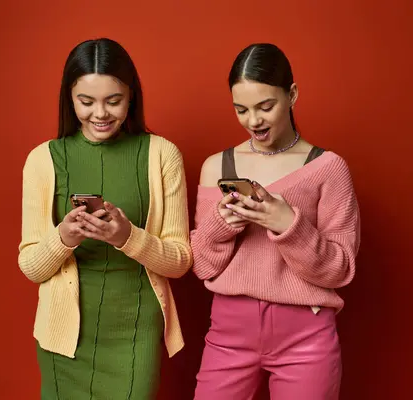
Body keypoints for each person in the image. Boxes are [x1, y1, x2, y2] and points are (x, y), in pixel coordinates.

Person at [18, 38, 192, 399]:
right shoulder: (42, 159)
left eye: (114, 101)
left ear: (132, 96)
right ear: (70, 98)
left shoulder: (162, 155)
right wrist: (63, 237)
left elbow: (180, 262)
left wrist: (127, 236)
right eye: (87, 101)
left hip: (134, 330)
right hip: (64, 340)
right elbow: (31, 267)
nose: (101, 113)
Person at [190, 43, 361, 399]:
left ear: (292, 94)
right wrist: (222, 224)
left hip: (306, 335)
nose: (254, 121)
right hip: (228, 332)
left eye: (266, 106)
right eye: (242, 109)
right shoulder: (217, 167)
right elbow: (203, 265)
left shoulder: (328, 168)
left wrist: (287, 224)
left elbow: (340, 270)